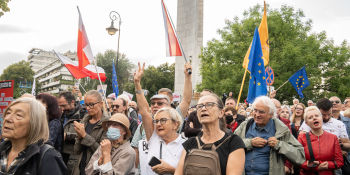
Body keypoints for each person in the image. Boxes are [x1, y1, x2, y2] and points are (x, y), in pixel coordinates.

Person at [134, 62, 186, 174]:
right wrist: (137, 83)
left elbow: (190, 172)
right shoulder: (153, 138)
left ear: (176, 124)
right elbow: (144, 111)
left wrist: (171, 170)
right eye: (156, 121)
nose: (158, 124)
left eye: (163, 120)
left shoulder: (186, 145)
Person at [176, 94, 245, 175]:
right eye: (200, 106)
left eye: (209, 105)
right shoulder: (190, 143)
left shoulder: (234, 142)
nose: (203, 108)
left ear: (221, 113)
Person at [234, 96, 305, 175]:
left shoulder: (281, 130)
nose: (257, 114)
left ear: (271, 114)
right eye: (255, 110)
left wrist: (279, 145)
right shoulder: (245, 126)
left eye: (261, 112)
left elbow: (300, 156)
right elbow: (231, 145)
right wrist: (250, 143)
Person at [0, 97, 67, 174]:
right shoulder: (3, 150)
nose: (7, 119)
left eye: (18, 115)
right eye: (8, 113)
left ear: (34, 123)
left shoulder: (47, 157)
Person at [298, 106, 343, 175]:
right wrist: (313, 166)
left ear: (321, 118)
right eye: (310, 117)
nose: (314, 118)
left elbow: (339, 162)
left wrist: (328, 164)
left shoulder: (333, 138)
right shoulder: (302, 137)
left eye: (317, 115)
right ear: (306, 123)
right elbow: (298, 160)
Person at [72, 90, 109, 175]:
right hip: (80, 167)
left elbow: (102, 151)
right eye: (86, 105)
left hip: (95, 169)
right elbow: (76, 150)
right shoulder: (85, 120)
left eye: (91, 104)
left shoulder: (107, 123)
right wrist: (79, 136)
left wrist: (84, 135)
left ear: (100, 104)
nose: (88, 108)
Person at [58, 91, 85, 174]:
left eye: (64, 105)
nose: (62, 109)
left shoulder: (83, 115)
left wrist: (68, 136)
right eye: (60, 106)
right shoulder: (61, 114)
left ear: (72, 102)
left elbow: (85, 134)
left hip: (73, 156)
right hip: (59, 153)